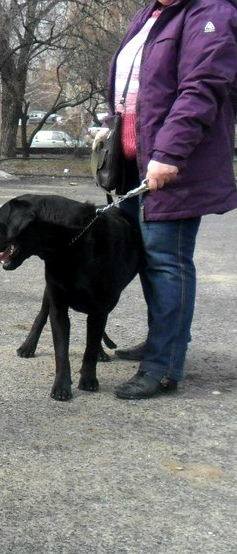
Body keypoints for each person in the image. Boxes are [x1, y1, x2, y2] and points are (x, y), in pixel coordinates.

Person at [96, 0, 237, 399]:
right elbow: (139, 87)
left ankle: (163, 366)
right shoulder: (151, 13)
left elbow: (202, 88)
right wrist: (110, 126)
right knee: (144, 256)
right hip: (134, 162)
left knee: (166, 261)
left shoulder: (212, 13)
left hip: (171, 162)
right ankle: (164, 341)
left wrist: (170, 153)